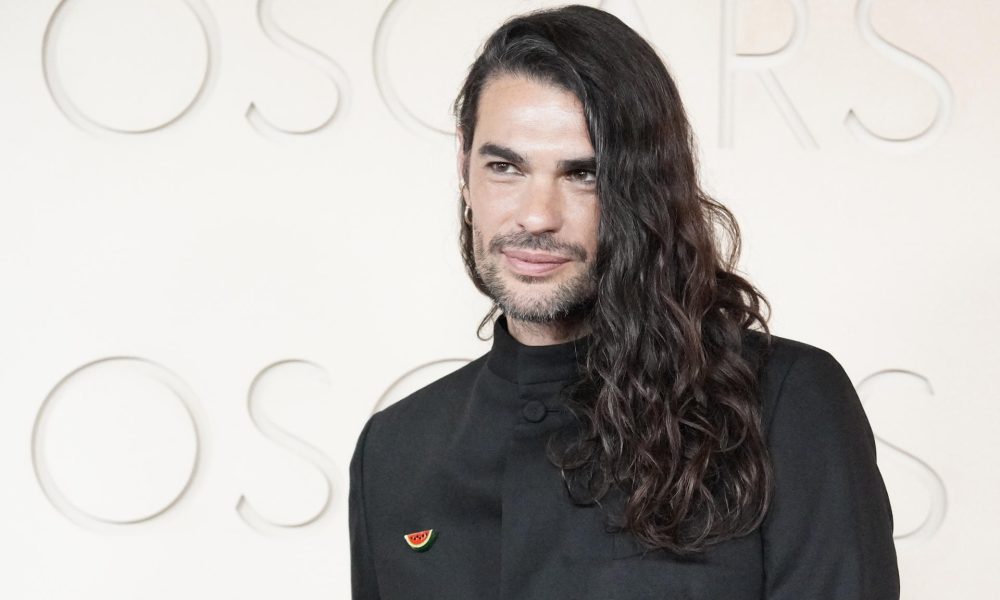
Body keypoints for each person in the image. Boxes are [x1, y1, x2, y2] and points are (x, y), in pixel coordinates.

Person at [348, 5, 899, 599]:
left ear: (644, 185)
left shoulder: (782, 404)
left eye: (583, 175)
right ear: (464, 166)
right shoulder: (395, 451)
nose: (537, 215)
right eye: (505, 166)